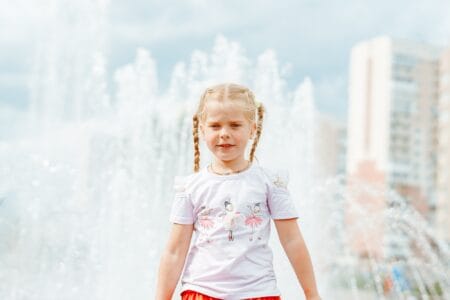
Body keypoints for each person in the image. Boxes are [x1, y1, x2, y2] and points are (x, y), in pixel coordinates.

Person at [155, 83, 321, 300]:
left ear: (252, 129)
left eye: (235, 125)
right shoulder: (191, 187)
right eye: (215, 126)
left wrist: (312, 294)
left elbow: (292, 241)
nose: (224, 134)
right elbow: (175, 251)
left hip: (258, 292)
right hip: (202, 292)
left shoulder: (269, 183)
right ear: (202, 130)